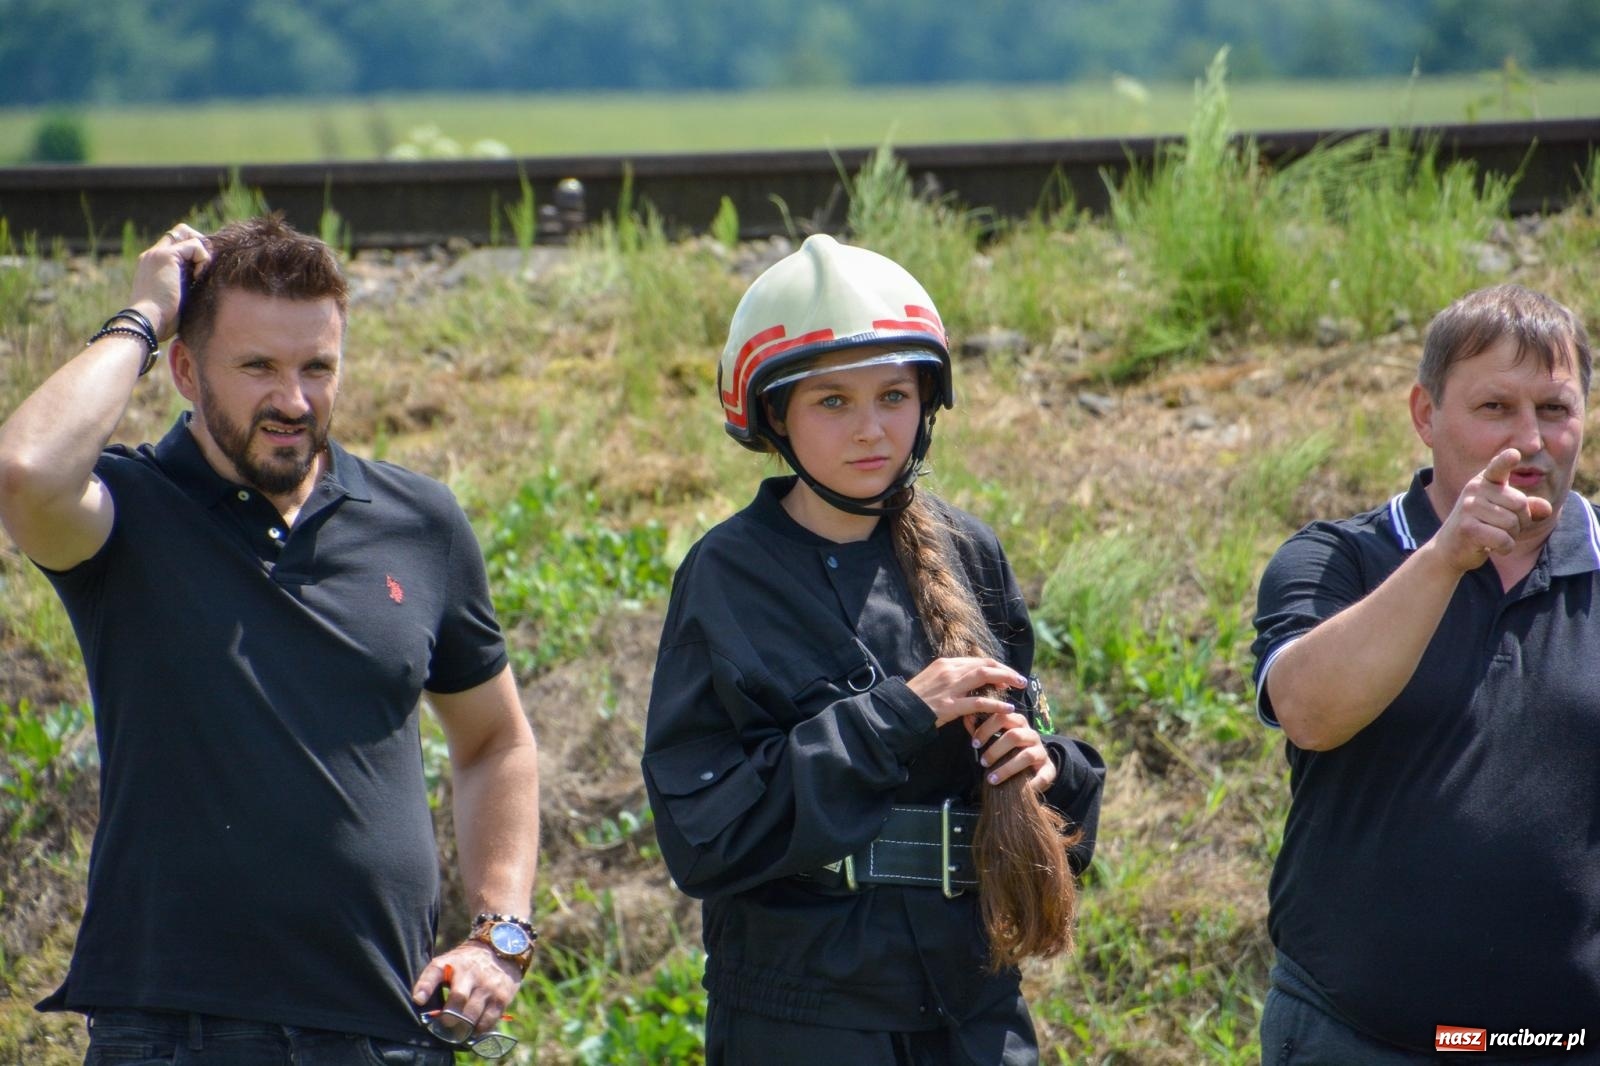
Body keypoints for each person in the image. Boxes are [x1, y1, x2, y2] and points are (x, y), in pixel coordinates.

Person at [0, 216, 541, 1064]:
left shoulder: (419, 522)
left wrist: (499, 932)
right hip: (177, 1033)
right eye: (257, 367)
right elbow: (24, 470)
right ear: (184, 368)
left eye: (316, 368)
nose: (293, 400)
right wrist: (144, 314)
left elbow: (496, 741)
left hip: (388, 1027)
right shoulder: (124, 513)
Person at [642, 234, 1105, 1065]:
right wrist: (896, 716)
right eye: (832, 402)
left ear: (928, 401)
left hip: (976, 1003)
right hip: (806, 1012)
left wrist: (1050, 768)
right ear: (773, 415)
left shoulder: (971, 553)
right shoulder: (725, 574)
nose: (871, 429)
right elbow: (702, 834)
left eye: (894, 395)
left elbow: (1041, 791)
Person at [1251, 283, 1600, 1061]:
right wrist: (1446, 559)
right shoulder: (1336, 559)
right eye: (1494, 409)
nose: (1531, 440)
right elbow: (1310, 710)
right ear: (1424, 414)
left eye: (1554, 409)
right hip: (1356, 1036)